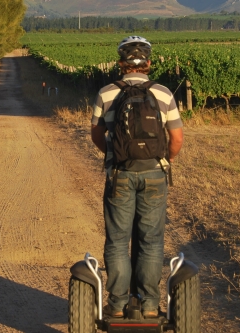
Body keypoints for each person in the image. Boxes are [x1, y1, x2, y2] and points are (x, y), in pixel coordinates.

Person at [90, 36, 184, 319]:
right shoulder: (164, 94)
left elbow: (96, 134)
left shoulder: (106, 93)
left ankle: (117, 306)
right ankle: (150, 304)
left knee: (117, 239)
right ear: (149, 63)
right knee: (151, 240)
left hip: (120, 173)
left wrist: (112, 155)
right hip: (155, 173)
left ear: (120, 64)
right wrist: (164, 160)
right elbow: (177, 138)